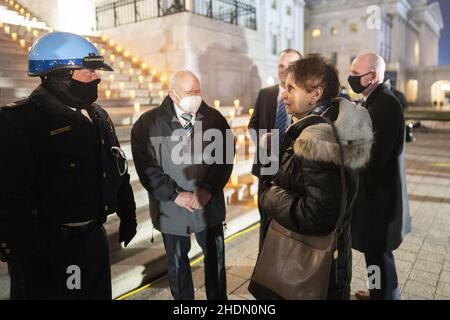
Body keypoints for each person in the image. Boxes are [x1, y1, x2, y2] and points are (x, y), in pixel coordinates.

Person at [0, 32, 137, 300]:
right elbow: (9, 196)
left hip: (93, 241)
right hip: (50, 249)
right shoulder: (19, 121)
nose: (96, 77)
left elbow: (116, 166)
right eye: (87, 70)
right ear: (58, 74)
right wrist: (25, 252)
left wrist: (127, 211)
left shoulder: (98, 115)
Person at [249, 54, 373, 300]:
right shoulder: (329, 123)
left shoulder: (316, 139)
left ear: (315, 94)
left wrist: (269, 195)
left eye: (291, 88)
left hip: (308, 268)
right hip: (326, 265)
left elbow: (317, 214)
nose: (284, 94)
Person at [131, 70, 233, 300]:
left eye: (198, 91)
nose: (195, 97)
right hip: (172, 209)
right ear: (172, 94)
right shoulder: (147, 124)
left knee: (216, 262)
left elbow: (225, 159)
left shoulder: (215, 119)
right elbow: (147, 168)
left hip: (209, 207)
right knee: (177, 266)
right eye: (189, 93)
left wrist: (207, 190)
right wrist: (176, 195)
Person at [349, 53, 412, 300]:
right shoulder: (374, 100)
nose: (351, 78)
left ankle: (386, 295)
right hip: (374, 198)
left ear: (372, 76)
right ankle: (378, 292)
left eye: (356, 74)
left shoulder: (385, 104)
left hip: (379, 200)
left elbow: (373, 156)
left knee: (379, 254)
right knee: (373, 252)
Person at [248, 49, 302, 253]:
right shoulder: (266, 94)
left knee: (286, 226)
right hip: (265, 169)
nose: (283, 70)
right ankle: (262, 268)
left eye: (290, 66)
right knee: (265, 220)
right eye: (281, 66)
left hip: (292, 174)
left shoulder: (304, 99)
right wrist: (260, 139)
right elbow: (252, 125)